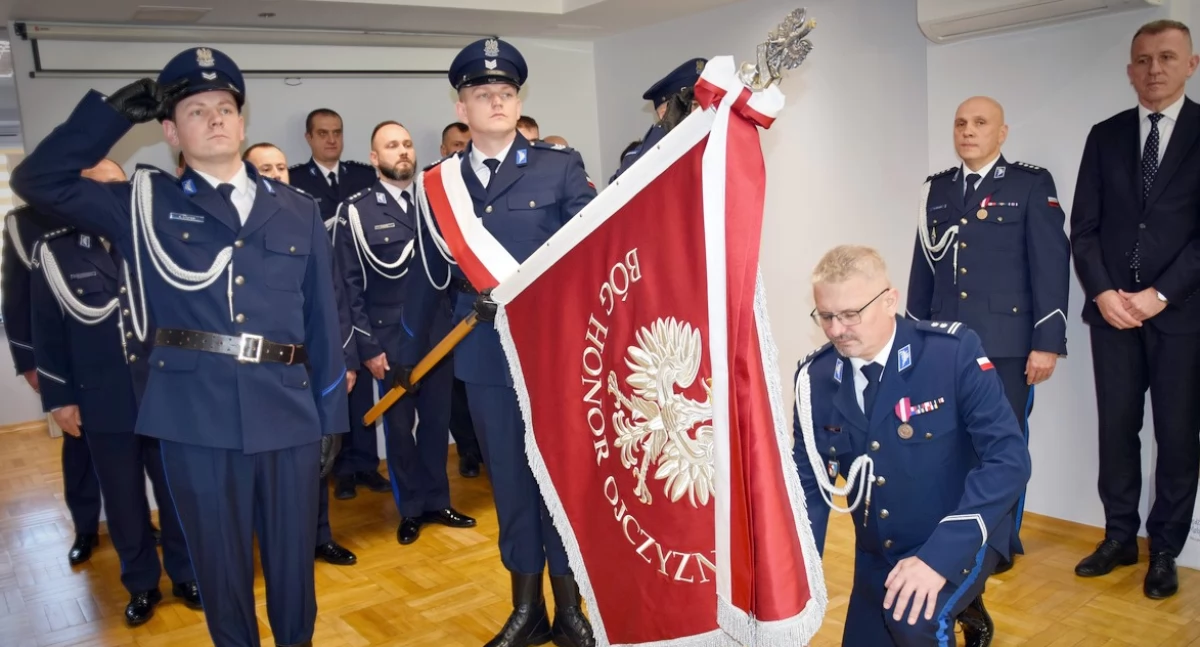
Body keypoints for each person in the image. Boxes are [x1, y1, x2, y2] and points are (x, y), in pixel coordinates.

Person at [11, 46, 348, 647]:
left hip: (287, 412)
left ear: (243, 122)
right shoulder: (141, 205)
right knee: (221, 572)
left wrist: (330, 417)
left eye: (225, 108)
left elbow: (322, 319)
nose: (215, 119)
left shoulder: (297, 210)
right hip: (195, 418)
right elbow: (36, 181)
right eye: (196, 111)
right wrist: (109, 117)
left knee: (295, 570)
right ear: (169, 130)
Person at [402, 38, 597, 647]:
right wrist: (410, 353)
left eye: (505, 93)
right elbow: (429, 278)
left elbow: (588, 256)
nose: (495, 101)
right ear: (461, 105)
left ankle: (570, 611)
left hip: (553, 351)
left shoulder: (558, 167)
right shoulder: (438, 183)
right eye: (482, 93)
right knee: (510, 479)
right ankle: (526, 609)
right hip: (485, 353)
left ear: (518, 102)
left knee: (558, 477)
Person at [794, 245, 1030, 647]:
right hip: (878, 551)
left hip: (958, 532)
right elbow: (807, 486)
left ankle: (958, 597)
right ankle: (962, 604)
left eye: (851, 314)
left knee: (913, 623)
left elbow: (1009, 460)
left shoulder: (951, 354)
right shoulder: (815, 379)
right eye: (826, 316)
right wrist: (798, 576)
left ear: (889, 301)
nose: (836, 330)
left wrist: (939, 559)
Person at [28, 159, 200, 626]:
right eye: (98, 191)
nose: (111, 200)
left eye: (118, 189)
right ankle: (141, 583)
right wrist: (59, 399)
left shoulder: (155, 242)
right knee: (123, 499)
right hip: (102, 398)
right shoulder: (54, 252)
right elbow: (46, 331)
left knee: (175, 491)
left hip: (164, 393)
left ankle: (186, 574)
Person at [907, 96, 1070, 575]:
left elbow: (1051, 265)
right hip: (944, 342)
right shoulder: (935, 190)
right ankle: (955, 531)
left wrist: (1046, 341)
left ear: (1002, 133)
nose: (968, 131)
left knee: (1001, 447)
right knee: (946, 442)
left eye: (980, 123)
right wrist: (913, 338)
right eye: (961, 123)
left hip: (1005, 343)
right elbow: (924, 268)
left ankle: (996, 543)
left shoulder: (1029, 184)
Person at [1070, 19, 1200, 600]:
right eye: (1143, 60)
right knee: (1116, 431)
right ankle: (1120, 536)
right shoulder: (1104, 135)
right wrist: (1102, 293)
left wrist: (1160, 294)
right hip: (1113, 316)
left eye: (1167, 57)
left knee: (1176, 437)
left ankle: (1165, 549)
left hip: (1182, 316)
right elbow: (1085, 228)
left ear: (1190, 64)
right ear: (1129, 70)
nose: (1154, 69)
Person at [334, 120, 475, 545]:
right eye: (392, 146)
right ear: (375, 158)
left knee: (436, 423)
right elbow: (349, 286)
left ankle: (437, 501)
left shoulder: (437, 201)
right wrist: (368, 348)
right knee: (398, 430)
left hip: (437, 333)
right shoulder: (357, 211)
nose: (403, 152)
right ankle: (410, 509)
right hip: (390, 338)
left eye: (408, 144)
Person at [241, 142, 359, 567]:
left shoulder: (304, 219)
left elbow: (332, 298)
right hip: (262, 371)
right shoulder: (242, 229)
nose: (275, 174)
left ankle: (318, 536)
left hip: (309, 364)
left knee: (315, 460)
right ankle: (273, 545)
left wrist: (342, 362)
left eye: (280, 167)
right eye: (264, 168)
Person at [3, 204, 102, 565]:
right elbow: (16, 298)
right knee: (80, 446)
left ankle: (135, 520)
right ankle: (86, 526)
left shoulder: (116, 209)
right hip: (68, 356)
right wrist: (30, 363)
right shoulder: (26, 222)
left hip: (122, 359)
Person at [609, 57, 706, 183]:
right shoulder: (640, 156)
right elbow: (618, 191)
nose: (704, 112)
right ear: (664, 113)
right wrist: (663, 129)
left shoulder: (717, 144)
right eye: (695, 105)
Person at [289, 108, 377, 224]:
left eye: (337, 133)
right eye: (323, 134)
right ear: (309, 138)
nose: (332, 140)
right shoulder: (293, 181)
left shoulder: (365, 176)